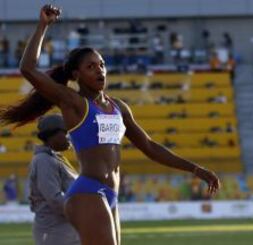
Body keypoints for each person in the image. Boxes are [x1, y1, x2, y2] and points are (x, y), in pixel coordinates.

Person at [0, 5, 220, 245]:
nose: (100, 70)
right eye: (91, 67)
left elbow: (150, 146)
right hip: (87, 192)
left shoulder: (119, 108)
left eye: (102, 64)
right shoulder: (74, 102)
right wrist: (43, 25)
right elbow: (28, 69)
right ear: (76, 75)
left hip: (111, 195)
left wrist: (196, 170)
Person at [28, 114, 80, 245]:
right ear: (53, 135)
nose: (70, 137)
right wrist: (83, 213)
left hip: (67, 229)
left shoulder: (56, 158)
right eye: (66, 132)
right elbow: (54, 199)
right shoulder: (43, 160)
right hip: (55, 231)